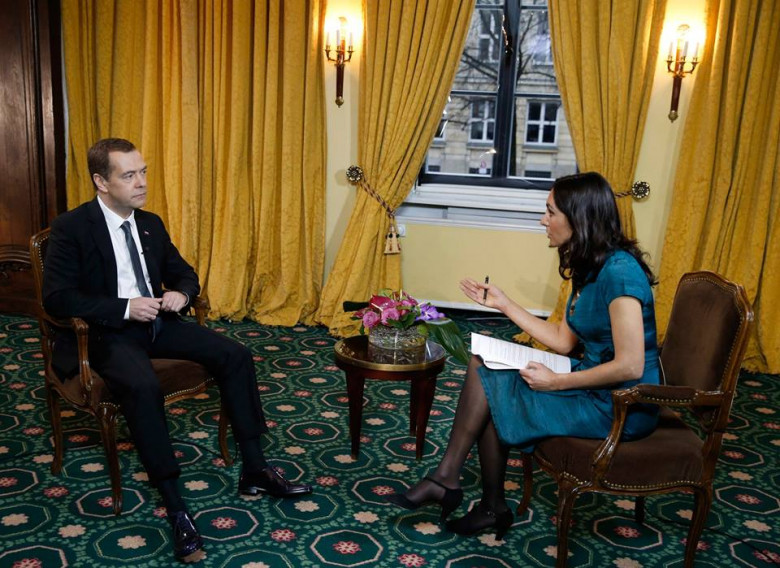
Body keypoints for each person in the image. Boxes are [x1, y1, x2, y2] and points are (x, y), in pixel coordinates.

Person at [43, 138, 312, 562]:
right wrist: (124, 307)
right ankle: (175, 505)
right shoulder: (72, 227)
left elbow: (184, 273)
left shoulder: (150, 223)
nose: (141, 182)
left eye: (143, 172)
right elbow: (57, 298)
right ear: (101, 181)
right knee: (142, 386)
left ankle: (256, 468)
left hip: (156, 325)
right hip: (106, 334)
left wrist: (182, 295)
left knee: (236, 355)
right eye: (128, 175)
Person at [386, 172, 659, 540]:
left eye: (550, 212)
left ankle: (462, 489)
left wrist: (558, 382)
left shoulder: (620, 272)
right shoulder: (590, 264)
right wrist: (504, 304)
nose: (543, 220)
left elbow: (631, 365)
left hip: (622, 404)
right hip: (591, 381)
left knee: (492, 390)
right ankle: (472, 493)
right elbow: (563, 341)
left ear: (579, 218)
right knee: (484, 366)